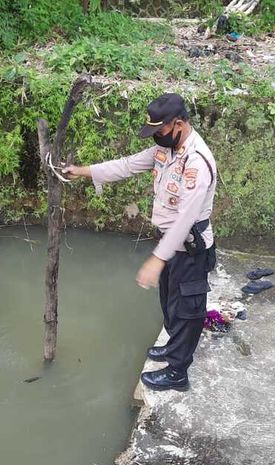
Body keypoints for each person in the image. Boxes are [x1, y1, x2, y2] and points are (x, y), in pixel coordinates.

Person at [63, 93, 217, 391]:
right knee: (170, 304)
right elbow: (127, 165)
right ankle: (172, 348)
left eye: (160, 131)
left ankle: (177, 373)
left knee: (187, 311)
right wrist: (82, 172)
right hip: (170, 246)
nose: (157, 138)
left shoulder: (196, 163)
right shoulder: (168, 150)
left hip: (190, 249)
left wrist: (157, 259)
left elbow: (185, 218)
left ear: (179, 124)